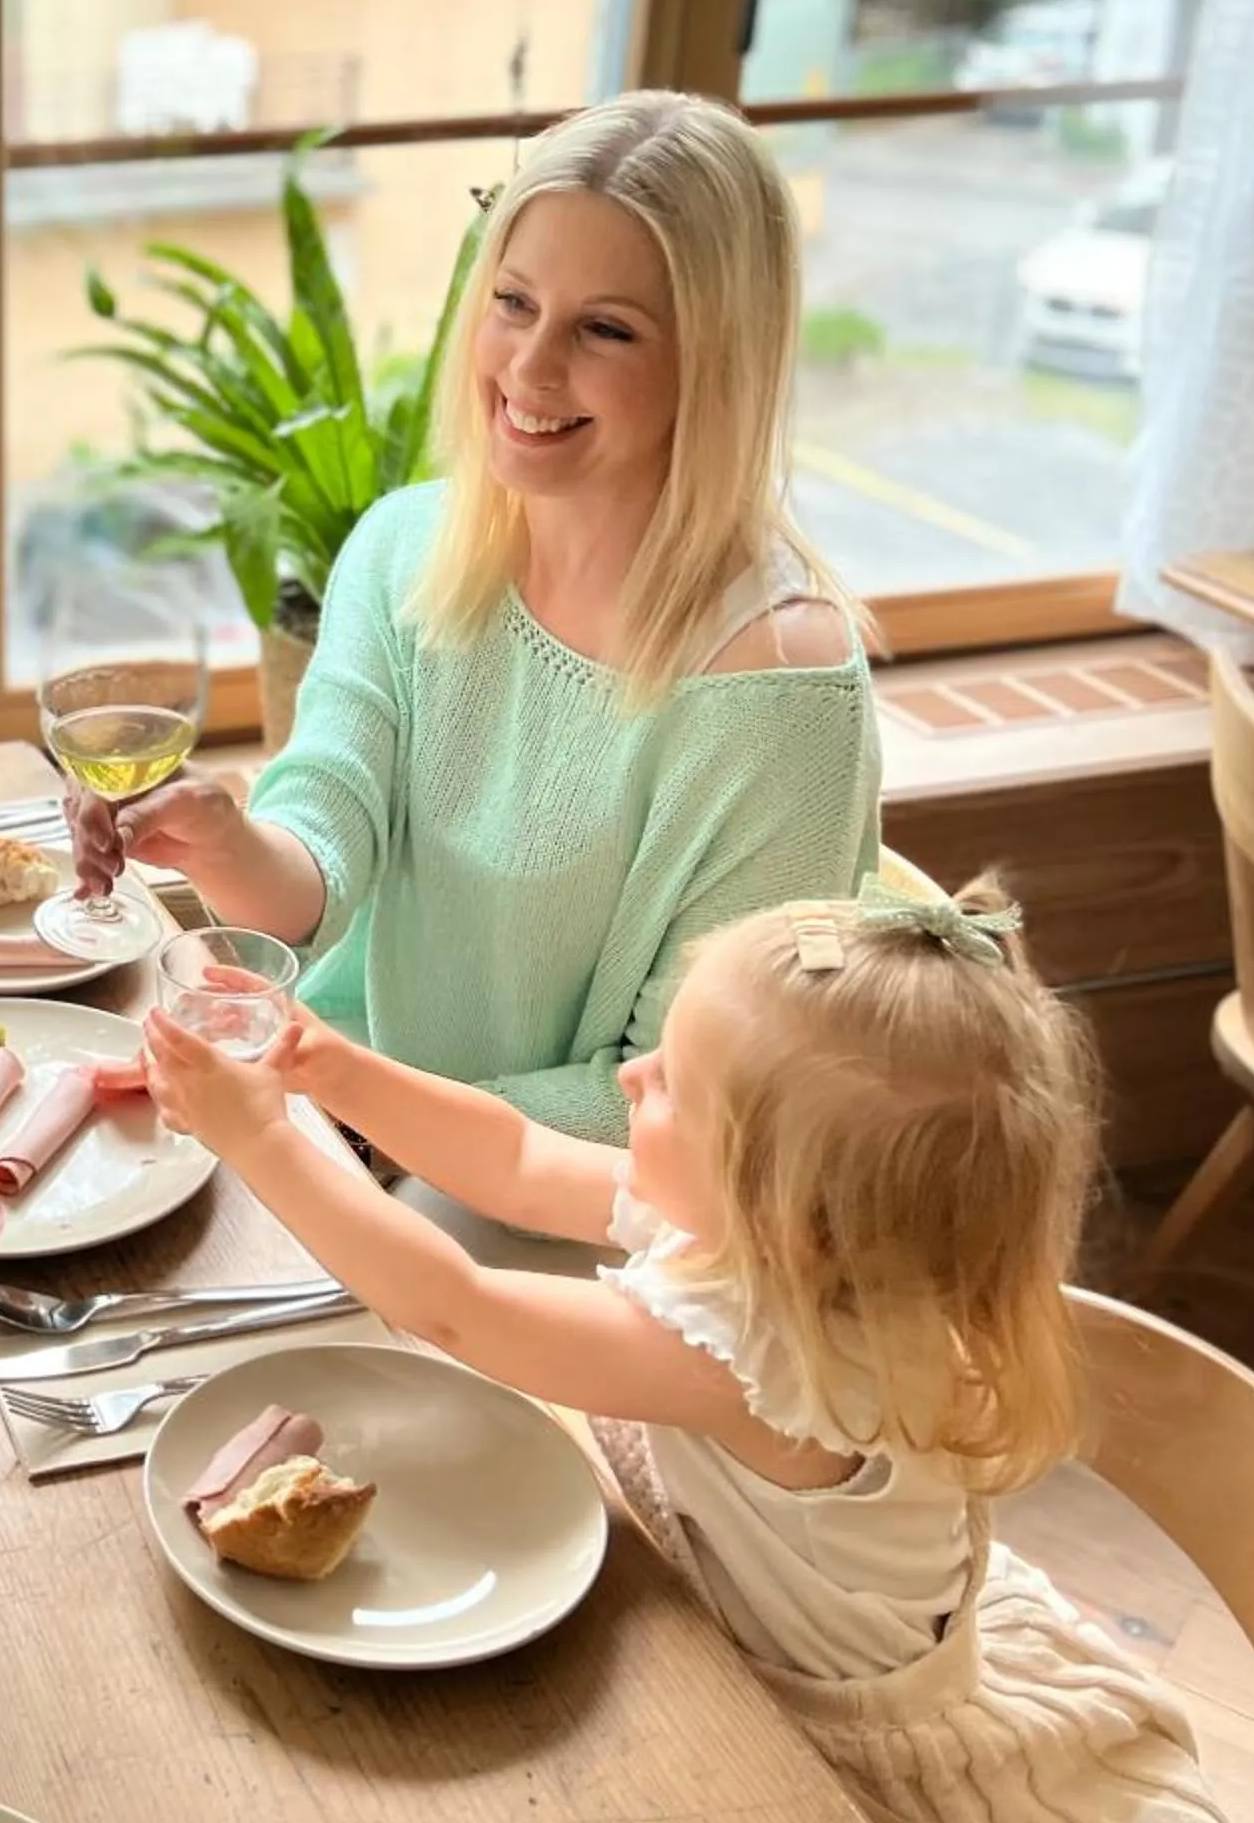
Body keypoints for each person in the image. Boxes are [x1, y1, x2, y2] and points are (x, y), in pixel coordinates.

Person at [142, 879, 1254, 1823]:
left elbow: (455, 1311)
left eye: (673, 1084)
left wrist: (260, 1140)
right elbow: (524, 1158)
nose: (633, 1077)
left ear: (791, 1209)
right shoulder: (786, 1247)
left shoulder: (762, 1353)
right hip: (730, 1613)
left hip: (837, 1736)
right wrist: (336, 1069)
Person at [72, 90, 880, 1147]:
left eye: (606, 329)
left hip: (593, 1222)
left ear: (716, 363)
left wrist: (339, 1110)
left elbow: (680, 1108)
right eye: (512, 302)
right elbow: (321, 855)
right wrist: (221, 841)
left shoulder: (779, 690)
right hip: (367, 1128)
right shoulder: (410, 548)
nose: (530, 370)